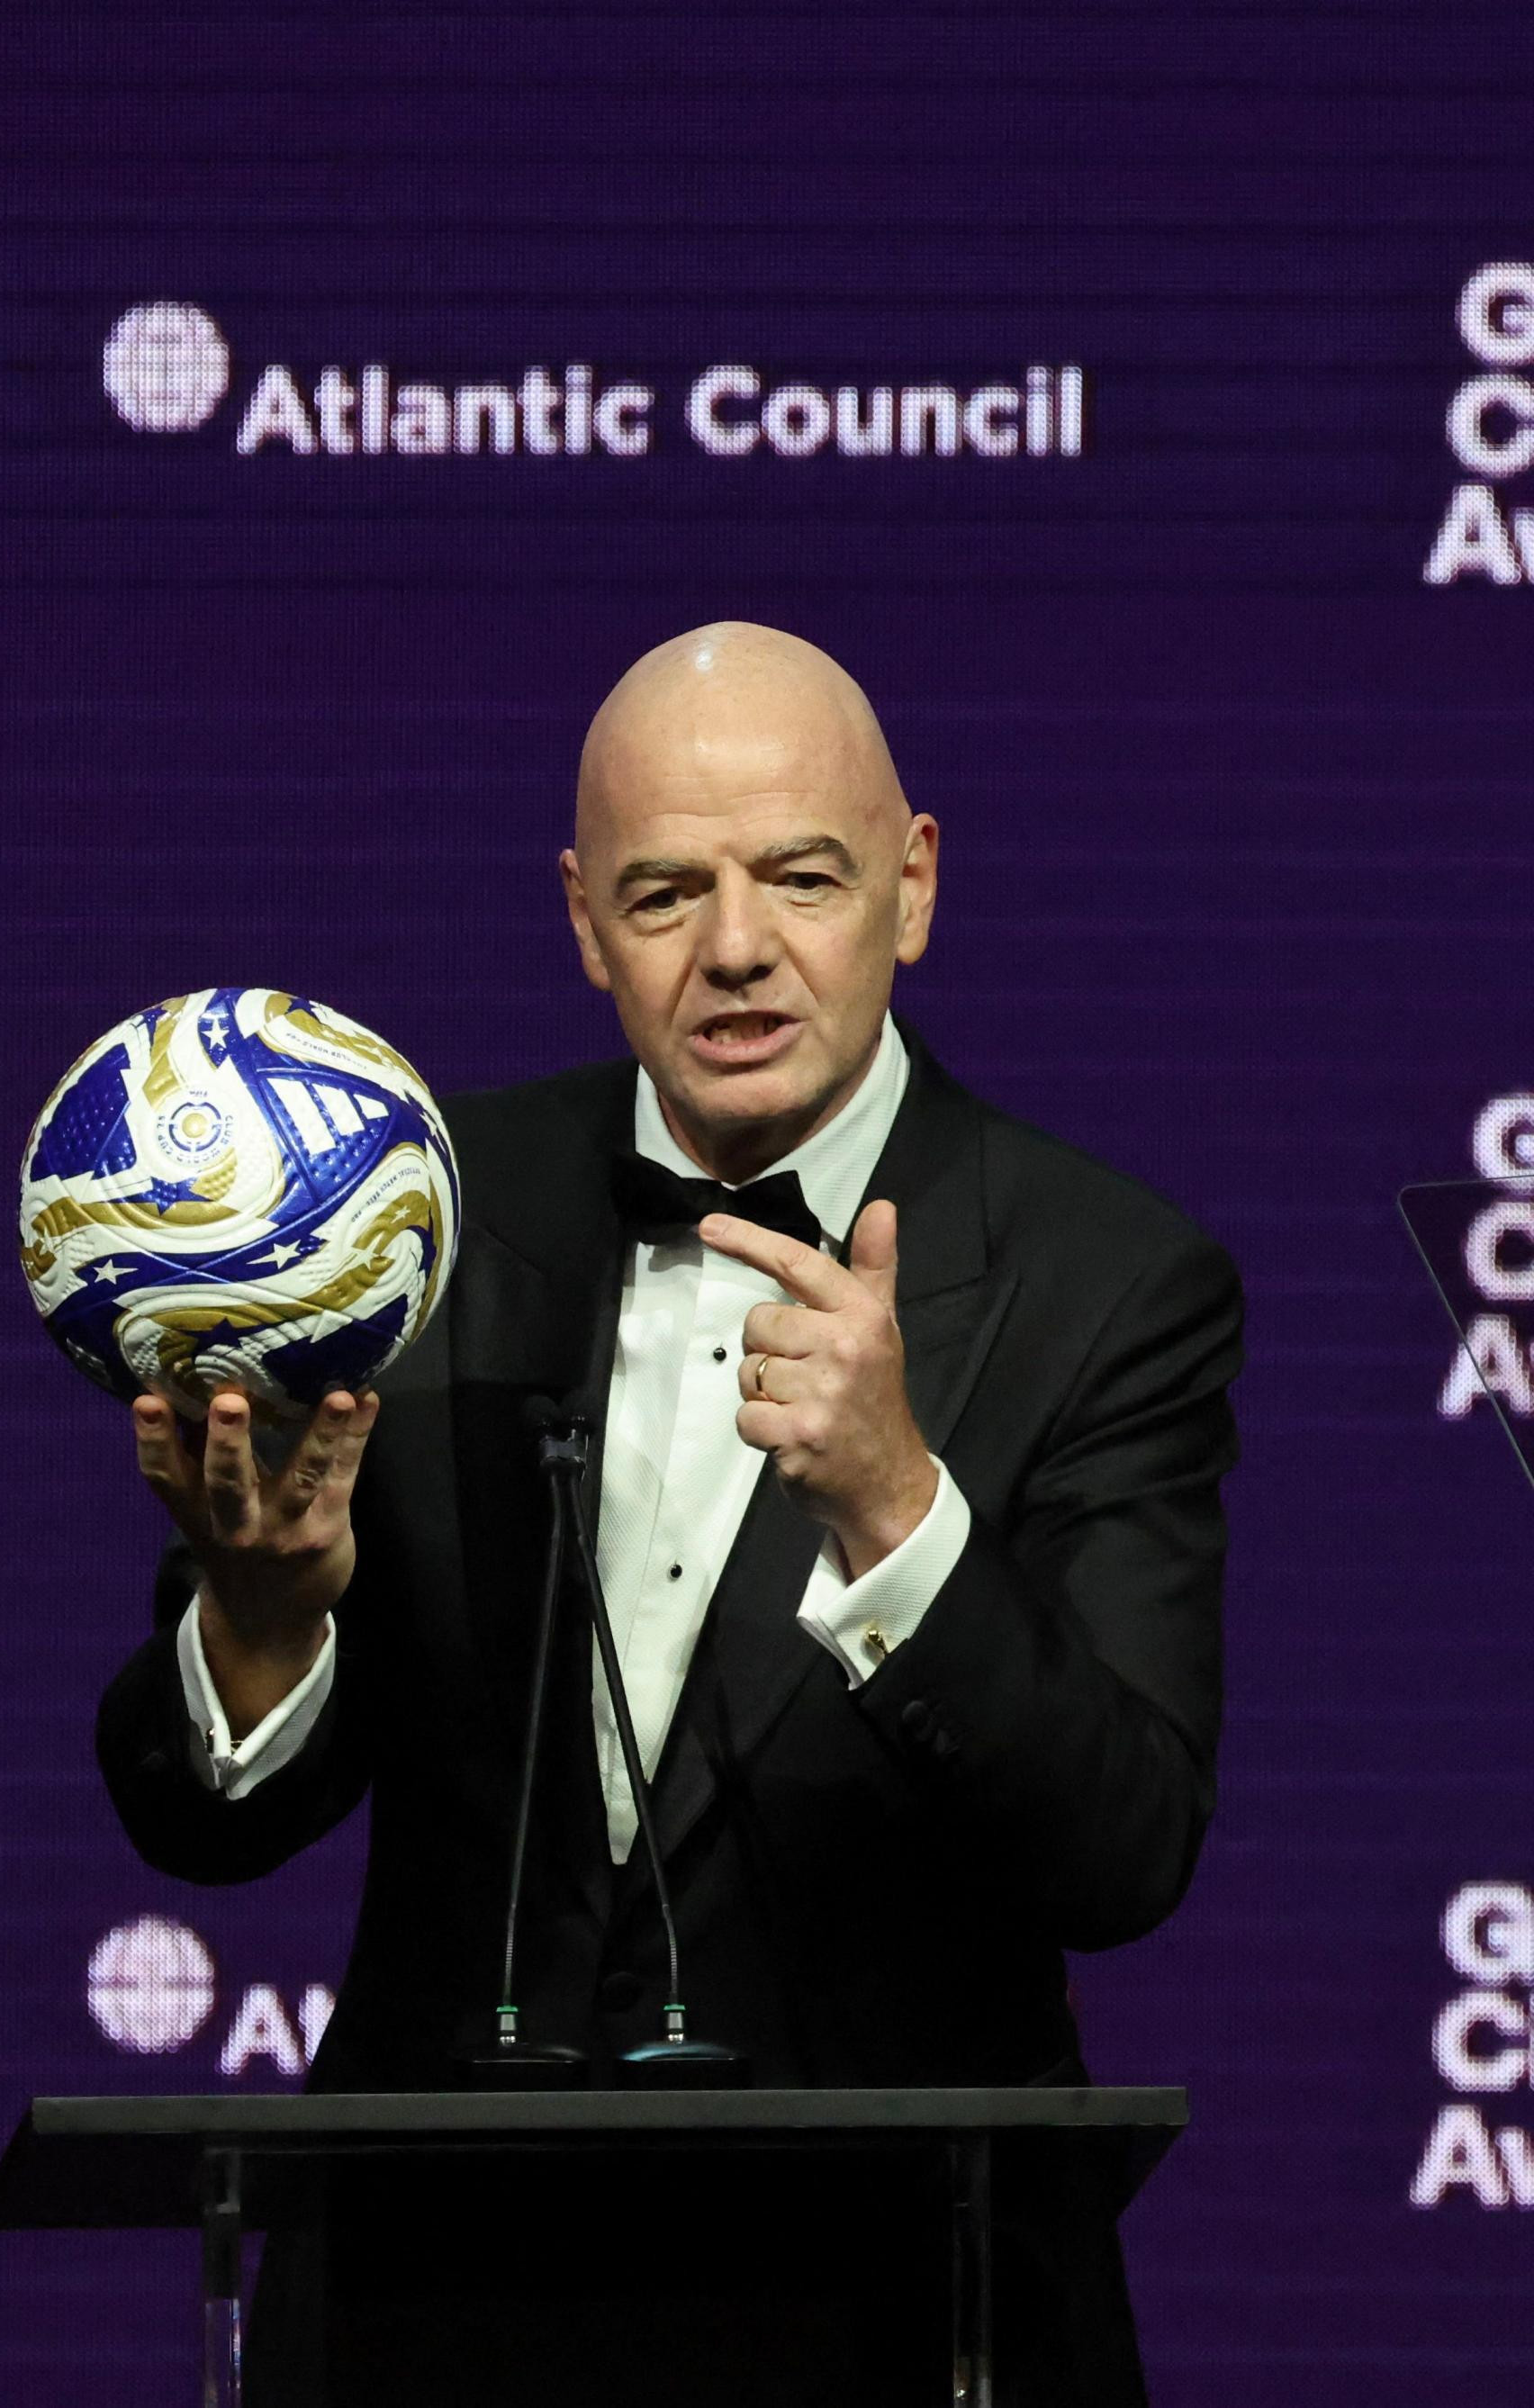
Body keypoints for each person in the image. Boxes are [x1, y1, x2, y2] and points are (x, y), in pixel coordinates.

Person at [96, 623, 1242, 2406]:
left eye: (802, 877)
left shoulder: (1108, 1282)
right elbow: (199, 1822)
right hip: (434, 2318)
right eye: (664, 893)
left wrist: (897, 1506)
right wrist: (262, 1619)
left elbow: (1124, 1851)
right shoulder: (409, 1222)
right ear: (583, 920)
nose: (735, 947)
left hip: (901, 2317)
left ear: (914, 886)